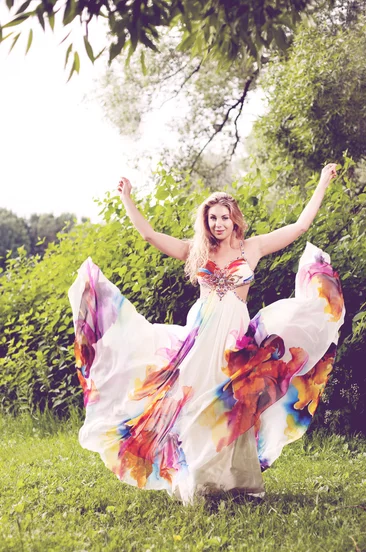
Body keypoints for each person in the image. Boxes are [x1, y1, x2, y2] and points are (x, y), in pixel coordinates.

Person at [68, 164, 345, 504]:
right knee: (196, 402)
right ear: (206, 221)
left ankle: (235, 480)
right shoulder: (196, 251)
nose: (218, 224)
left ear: (234, 219)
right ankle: (197, 478)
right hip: (202, 337)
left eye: (224, 217)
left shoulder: (251, 248)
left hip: (236, 340)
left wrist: (320, 183)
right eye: (212, 218)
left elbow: (300, 226)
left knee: (233, 405)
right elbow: (150, 236)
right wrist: (127, 198)